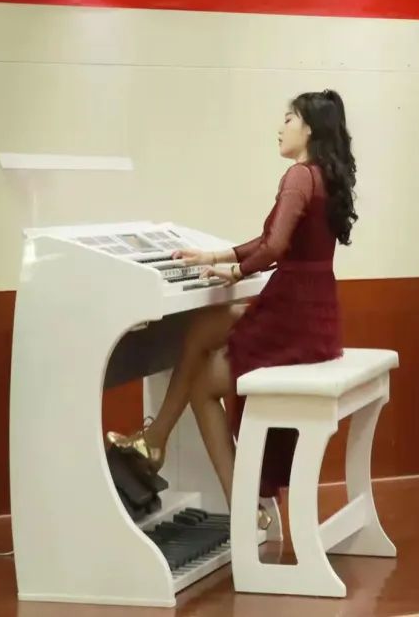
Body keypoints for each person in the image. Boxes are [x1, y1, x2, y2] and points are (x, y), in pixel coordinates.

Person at [107, 89, 357, 529]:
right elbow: (274, 242)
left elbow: (274, 246)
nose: (280, 128)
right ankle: (156, 439)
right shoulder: (324, 177)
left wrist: (237, 272)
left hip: (290, 313)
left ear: (309, 129)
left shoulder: (298, 177)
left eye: (288, 119)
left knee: (204, 384)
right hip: (313, 313)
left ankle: (240, 504)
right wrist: (215, 257)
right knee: (205, 326)